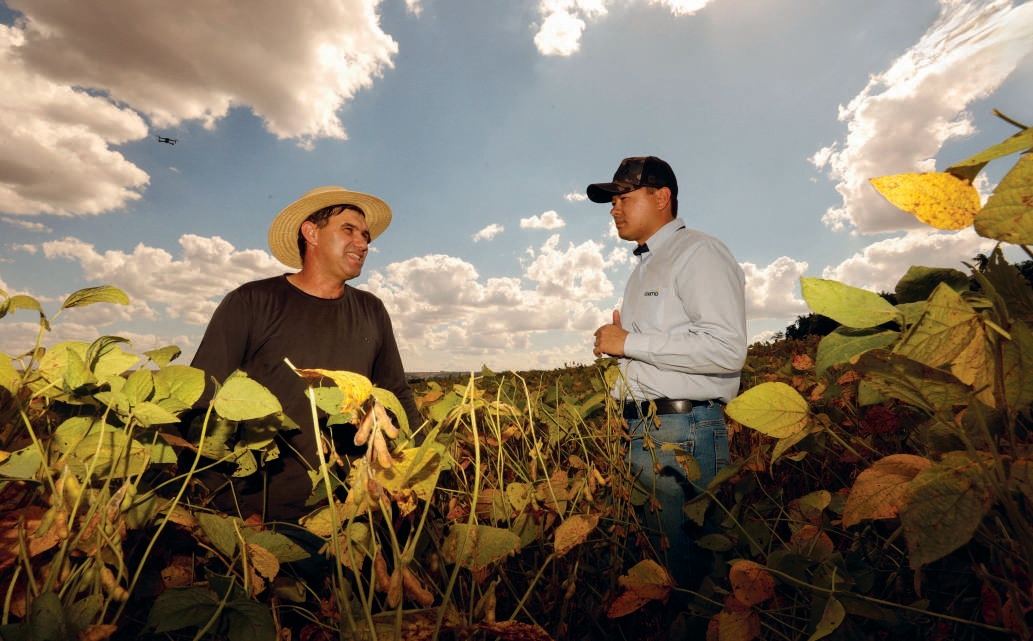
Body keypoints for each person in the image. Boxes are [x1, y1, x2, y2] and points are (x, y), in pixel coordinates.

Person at [187, 186, 422, 524]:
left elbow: (396, 394)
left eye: (366, 236)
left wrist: (413, 474)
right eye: (349, 230)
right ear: (310, 233)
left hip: (359, 507)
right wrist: (228, 511)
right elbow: (203, 406)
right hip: (264, 514)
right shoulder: (251, 303)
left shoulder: (372, 310)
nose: (363, 243)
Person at [588, 156, 746, 590]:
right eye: (612, 201)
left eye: (624, 197)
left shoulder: (698, 252)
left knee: (687, 573)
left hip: (683, 431)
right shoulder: (644, 268)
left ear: (662, 197)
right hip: (647, 430)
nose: (614, 209)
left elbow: (727, 350)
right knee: (661, 563)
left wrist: (629, 343)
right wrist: (621, 350)